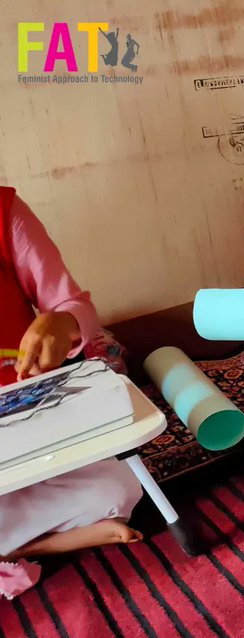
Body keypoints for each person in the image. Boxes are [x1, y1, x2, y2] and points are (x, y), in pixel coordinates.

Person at [0, 186, 142, 576]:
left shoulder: (4, 210)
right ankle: (43, 543)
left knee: (118, 490)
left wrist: (60, 321)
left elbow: (74, 305)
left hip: (27, 409)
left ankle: (20, 542)